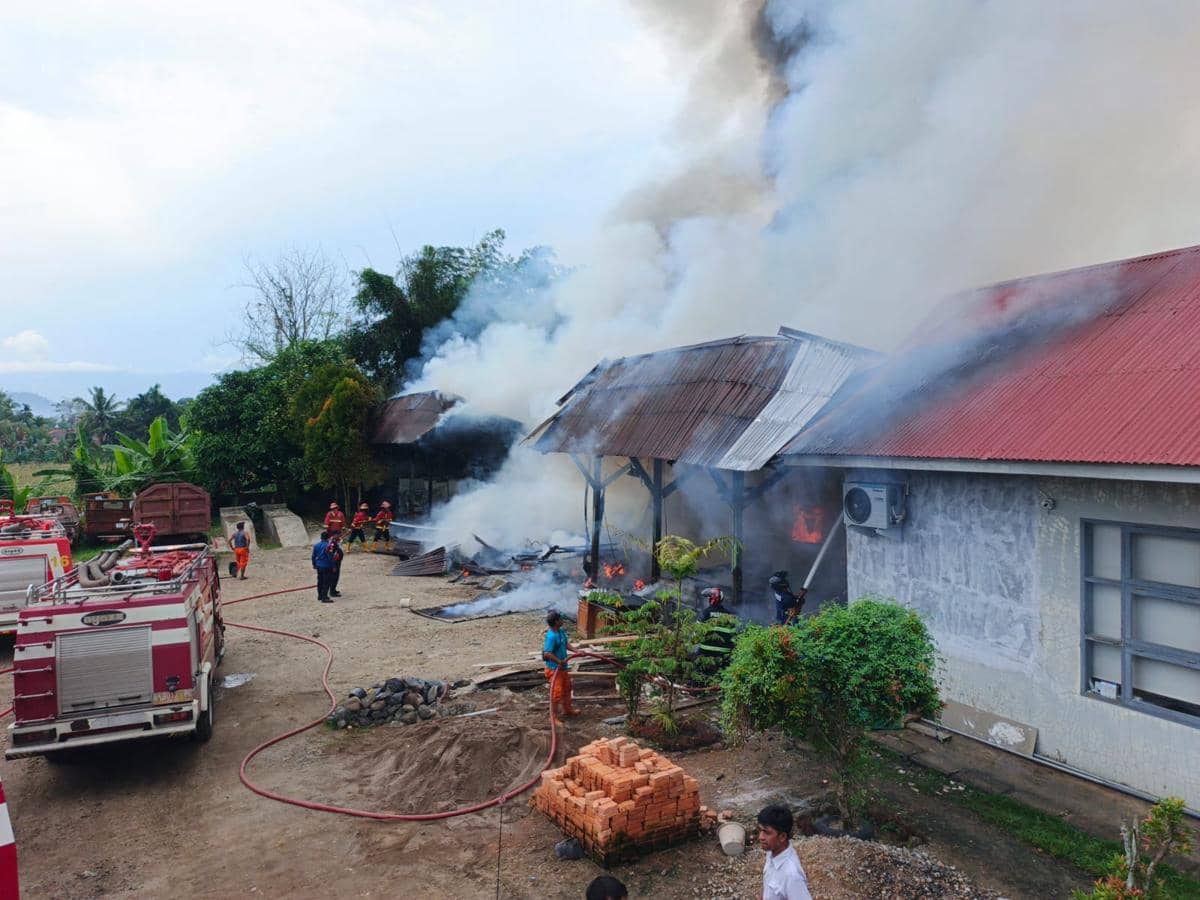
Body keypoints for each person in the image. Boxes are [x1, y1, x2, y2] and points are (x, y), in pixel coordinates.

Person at [757, 804, 812, 900]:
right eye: (760, 830)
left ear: (782, 837)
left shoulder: (791, 875)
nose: (760, 837)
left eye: (767, 832)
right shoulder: (772, 851)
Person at [542, 610, 577, 720]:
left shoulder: (560, 632)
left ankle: (567, 710)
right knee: (556, 694)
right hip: (554, 669)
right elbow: (547, 653)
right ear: (556, 622)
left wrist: (576, 651)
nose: (563, 620)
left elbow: (565, 644)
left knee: (567, 688)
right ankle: (553, 717)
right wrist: (559, 661)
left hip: (562, 668)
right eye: (561, 619)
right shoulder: (551, 636)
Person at [312, 530, 336, 603]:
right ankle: (324, 597)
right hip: (326, 566)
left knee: (320, 581)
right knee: (326, 582)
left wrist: (314, 564)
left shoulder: (316, 545)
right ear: (328, 538)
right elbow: (330, 557)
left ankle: (320, 595)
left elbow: (313, 556)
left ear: (321, 538)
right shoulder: (329, 546)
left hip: (319, 565)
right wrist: (333, 566)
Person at [327, 532, 344, 598]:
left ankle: (333, 589)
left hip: (337, 561)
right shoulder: (332, 542)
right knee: (334, 577)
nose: (339, 536)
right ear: (334, 535)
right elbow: (331, 553)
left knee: (336, 576)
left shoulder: (335, 541)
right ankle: (332, 591)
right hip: (334, 562)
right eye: (338, 535)